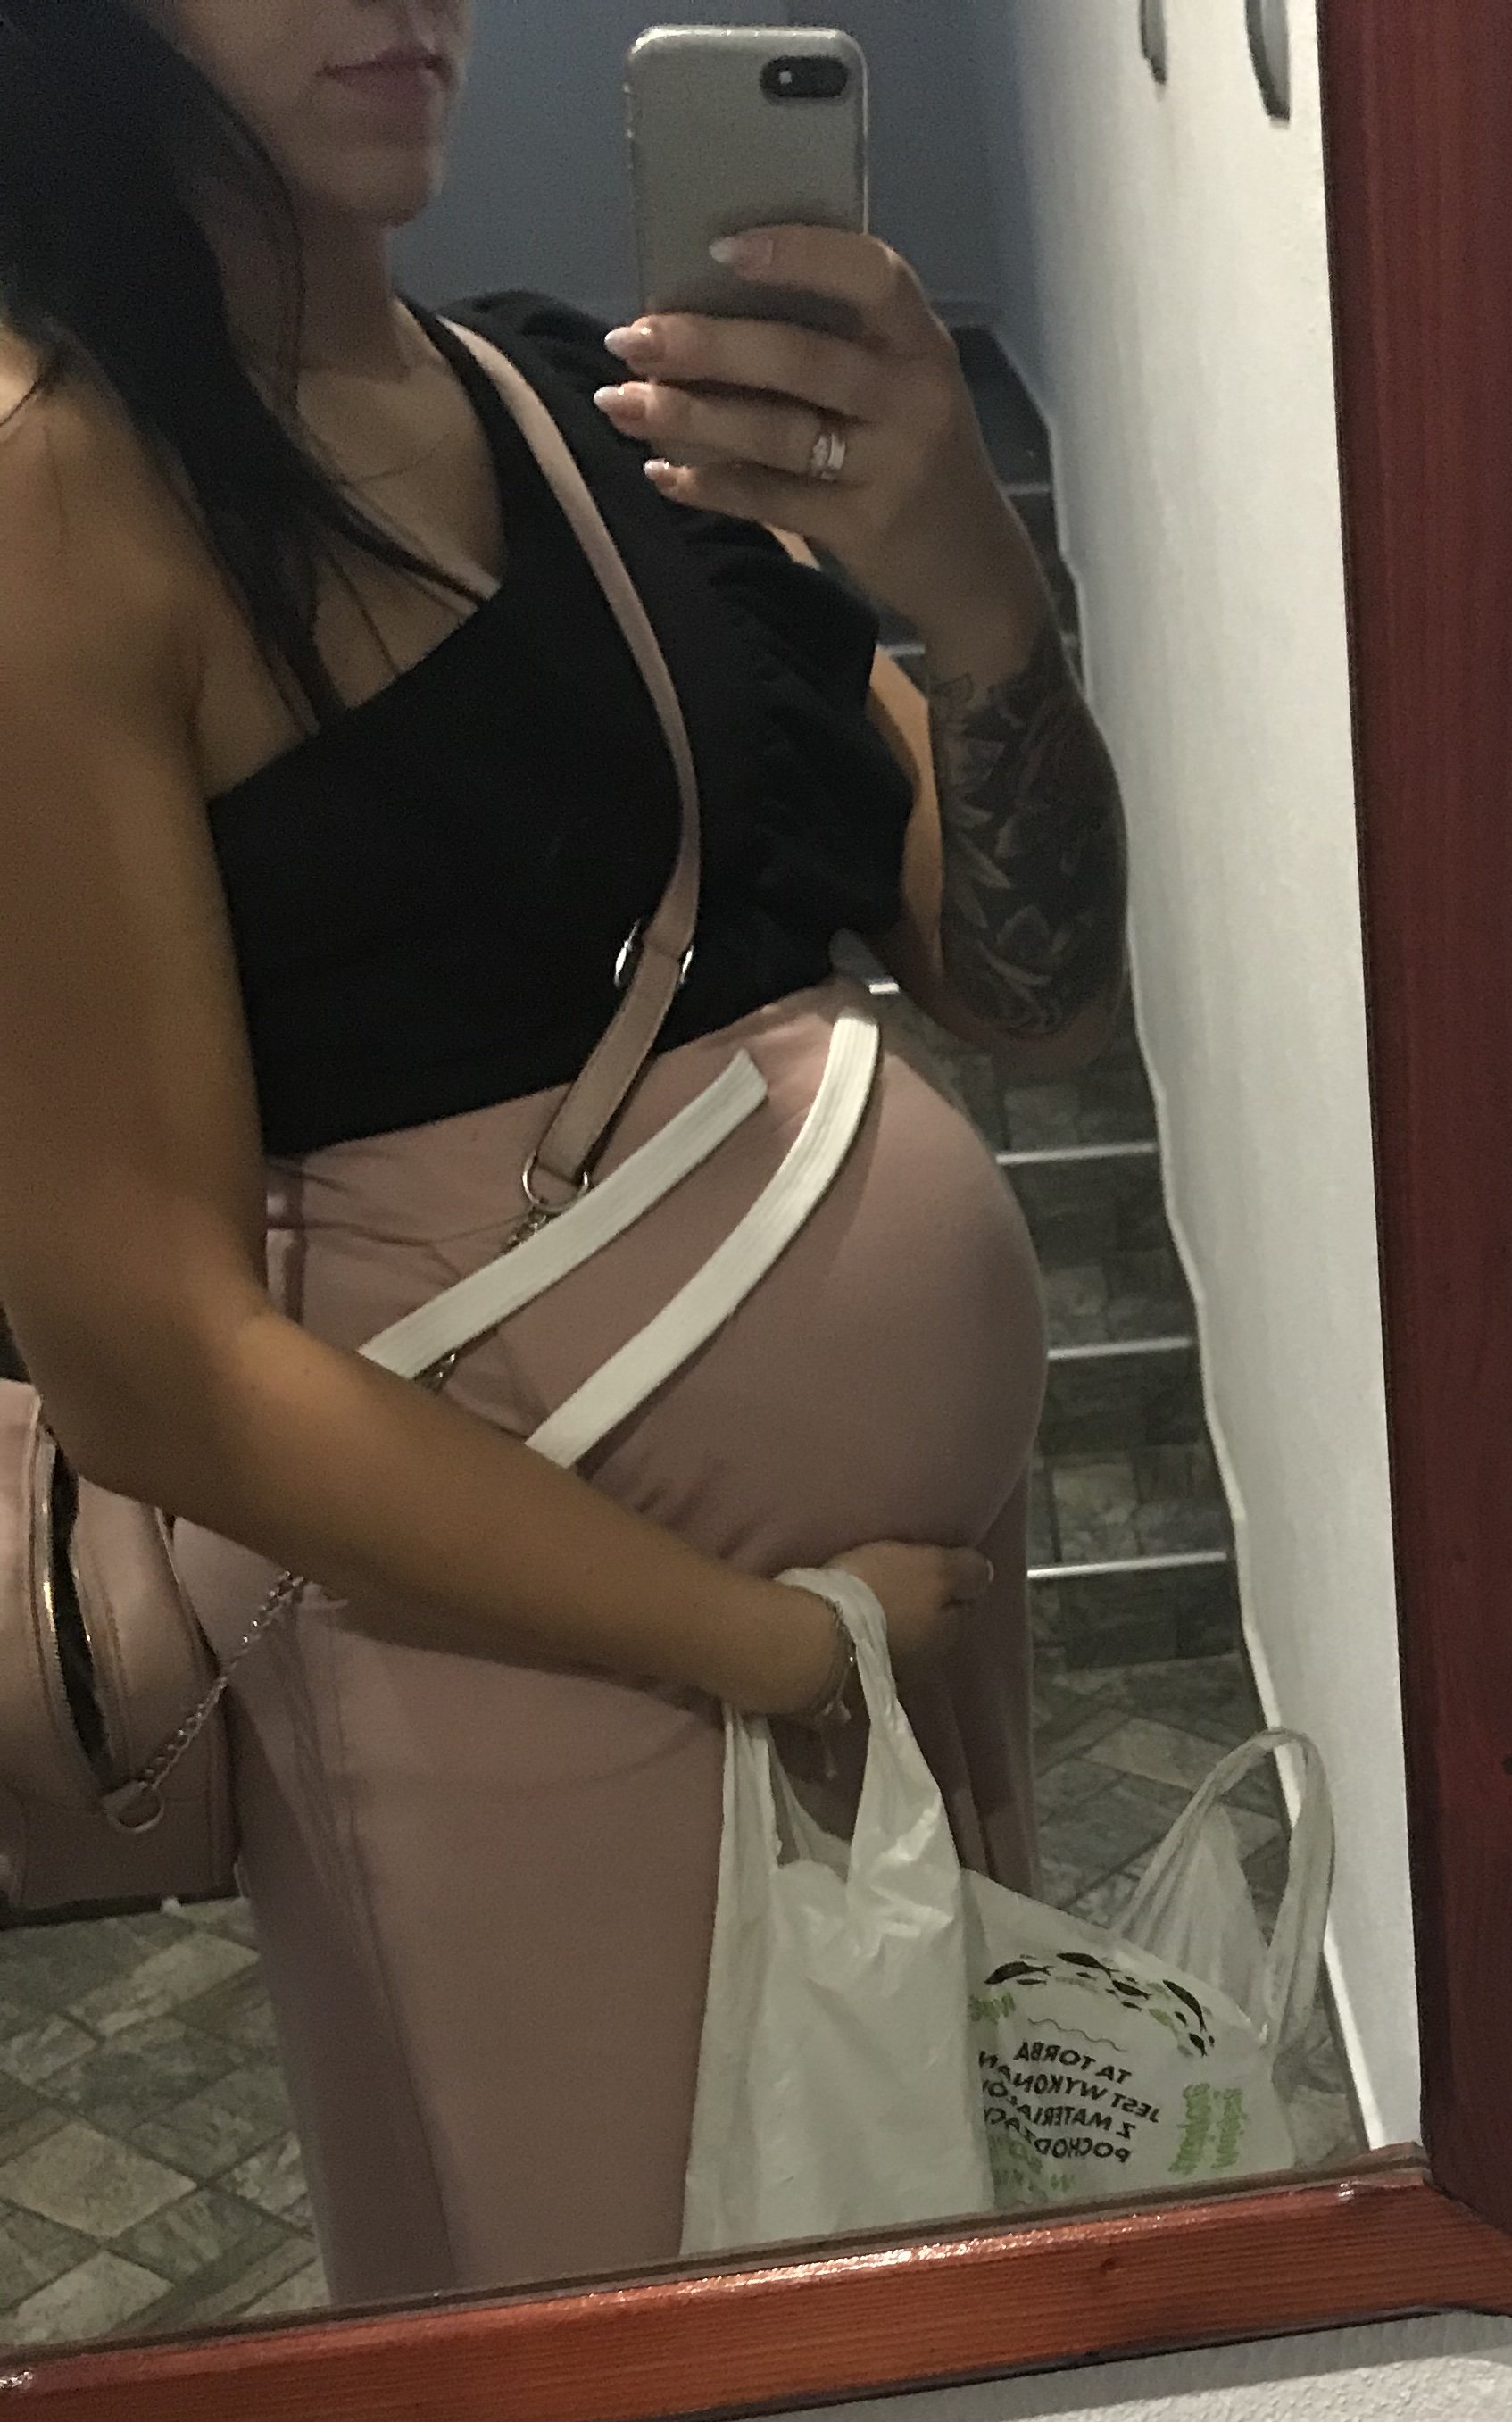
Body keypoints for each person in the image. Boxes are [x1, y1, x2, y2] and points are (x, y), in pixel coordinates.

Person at [0, 0, 1129, 2304]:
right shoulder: (59, 509)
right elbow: (152, 1367)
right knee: (643, 2407)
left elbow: (1031, 986)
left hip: (875, 1661)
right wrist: (770, 1647)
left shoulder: (567, 408)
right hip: (539, 1693)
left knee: (932, 2359)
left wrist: (985, 606)